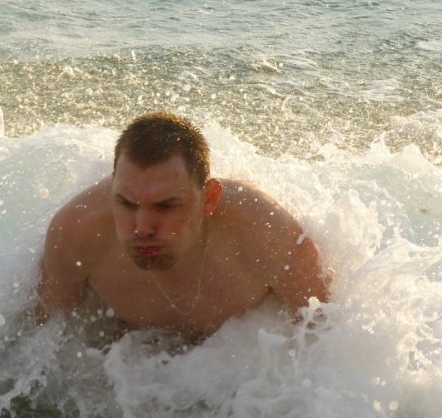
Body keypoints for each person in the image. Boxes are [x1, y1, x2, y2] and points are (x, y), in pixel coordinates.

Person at [36, 111, 331, 338]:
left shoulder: (268, 233)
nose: (142, 228)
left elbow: (323, 337)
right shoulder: (75, 232)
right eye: (126, 203)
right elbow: (42, 337)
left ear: (209, 198)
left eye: (165, 206)